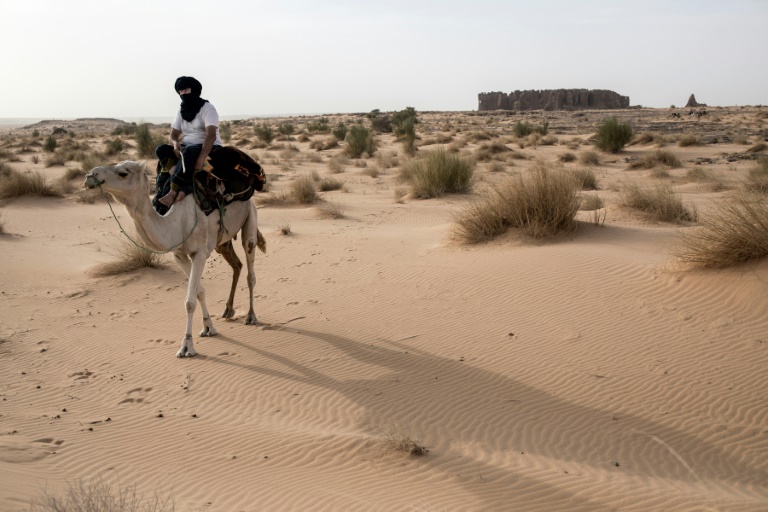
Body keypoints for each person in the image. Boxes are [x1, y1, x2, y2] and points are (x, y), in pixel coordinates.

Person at [157, 76, 222, 207]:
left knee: (189, 151)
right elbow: (174, 134)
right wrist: (175, 144)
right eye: (180, 92)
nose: (183, 94)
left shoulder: (208, 109)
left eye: (186, 90)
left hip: (209, 146)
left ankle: (173, 191)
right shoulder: (182, 111)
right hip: (188, 147)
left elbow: (210, 136)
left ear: (194, 90)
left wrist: (201, 159)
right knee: (161, 149)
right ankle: (182, 180)